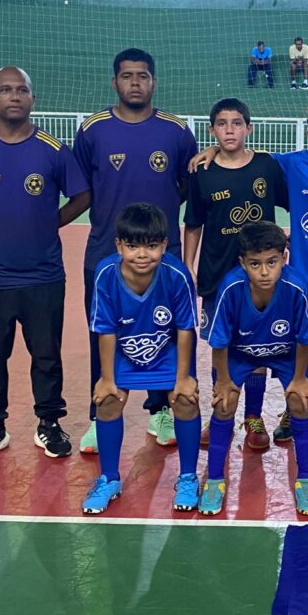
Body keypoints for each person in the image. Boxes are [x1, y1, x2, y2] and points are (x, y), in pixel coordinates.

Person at [190, 103, 308, 446]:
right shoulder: (291, 162)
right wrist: (214, 148)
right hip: (301, 278)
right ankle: (293, 407)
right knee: (294, 345)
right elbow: (244, 154)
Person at [0, 67, 90, 463]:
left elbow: (82, 196)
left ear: (32, 99)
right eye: (5, 90)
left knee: (47, 356)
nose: (14, 96)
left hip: (43, 275)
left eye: (22, 90)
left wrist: (51, 222)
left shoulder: (53, 149)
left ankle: (49, 423)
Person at [72, 48, 198, 455]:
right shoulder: (92, 130)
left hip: (164, 254)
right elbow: (82, 187)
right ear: (115, 82)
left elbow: (186, 185)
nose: (135, 83)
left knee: (166, 331)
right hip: (105, 252)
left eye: (142, 76)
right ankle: (101, 412)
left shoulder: (176, 131)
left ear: (154, 82)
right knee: (104, 331)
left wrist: (154, 234)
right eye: (127, 76)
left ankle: (160, 409)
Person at [183, 98, 288, 450]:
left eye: (237, 123)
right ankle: (222, 414)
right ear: (212, 130)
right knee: (222, 346)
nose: (230, 129)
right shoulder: (202, 171)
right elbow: (194, 223)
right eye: (222, 124)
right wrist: (188, 266)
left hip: (260, 278)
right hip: (216, 274)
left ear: (249, 128)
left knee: (256, 348)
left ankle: (254, 418)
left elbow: (298, 202)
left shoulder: (266, 166)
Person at [83, 203, 201, 515]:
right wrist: (107, 379)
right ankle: (109, 479)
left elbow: (186, 328)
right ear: (119, 245)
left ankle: (188, 477)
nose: (142, 254)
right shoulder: (106, 274)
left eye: (151, 246)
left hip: (167, 353)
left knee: (186, 399)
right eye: (132, 246)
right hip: (124, 355)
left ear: (164, 245)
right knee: (107, 401)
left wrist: (184, 377)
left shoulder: (176, 275)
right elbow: (105, 331)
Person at [204, 221, 308, 516]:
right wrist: (224, 381)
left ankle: (305, 478)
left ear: (284, 258)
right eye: (255, 264)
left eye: (272, 262)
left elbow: (305, 338)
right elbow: (218, 342)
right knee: (225, 404)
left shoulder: (296, 287)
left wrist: (298, 379)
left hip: (285, 355)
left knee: (300, 400)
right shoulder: (230, 288)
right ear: (243, 263)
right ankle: (215, 479)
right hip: (241, 355)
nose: (265, 272)